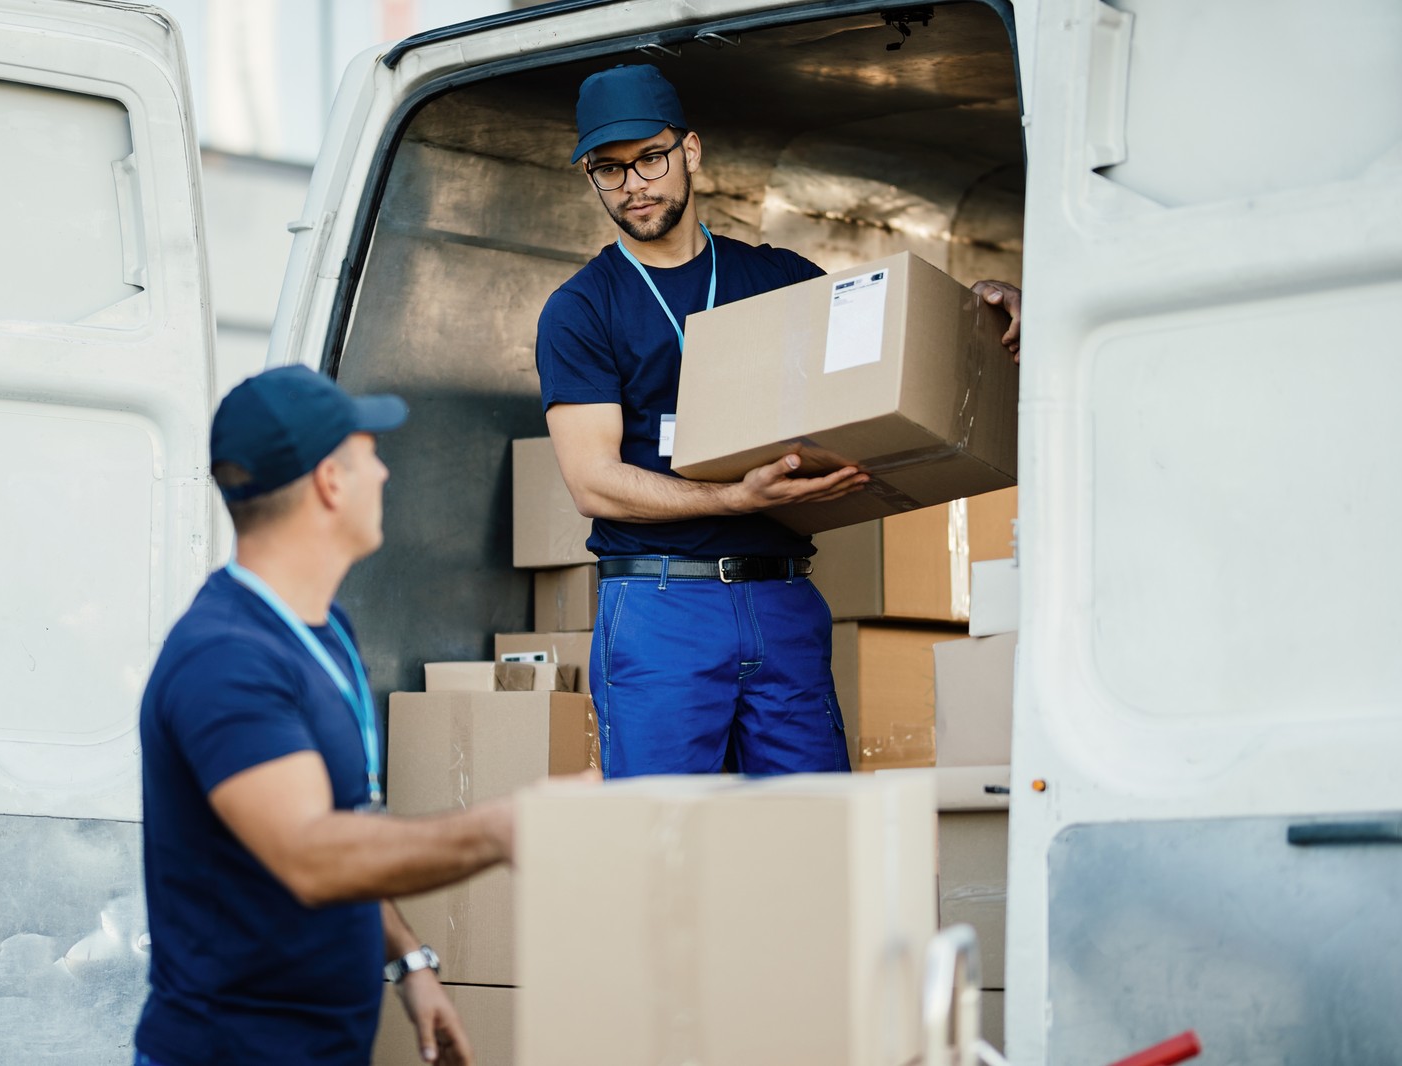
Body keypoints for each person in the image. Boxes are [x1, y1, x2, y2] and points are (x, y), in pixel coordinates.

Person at [535, 64, 1021, 779]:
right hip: (661, 603)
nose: (634, 184)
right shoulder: (582, 308)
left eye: (649, 158)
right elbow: (593, 482)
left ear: (690, 151)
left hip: (782, 595)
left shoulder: (779, 279)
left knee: (813, 835)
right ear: (592, 180)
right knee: (664, 844)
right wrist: (733, 498)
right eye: (609, 170)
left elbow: (883, 356)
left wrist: (977, 303)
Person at [134, 366, 514, 1066]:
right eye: (372, 453)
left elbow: (348, 827)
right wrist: (503, 828)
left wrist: (410, 963)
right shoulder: (225, 660)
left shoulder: (323, 630)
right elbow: (311, 855)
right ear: (329, 483)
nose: (385, 475)